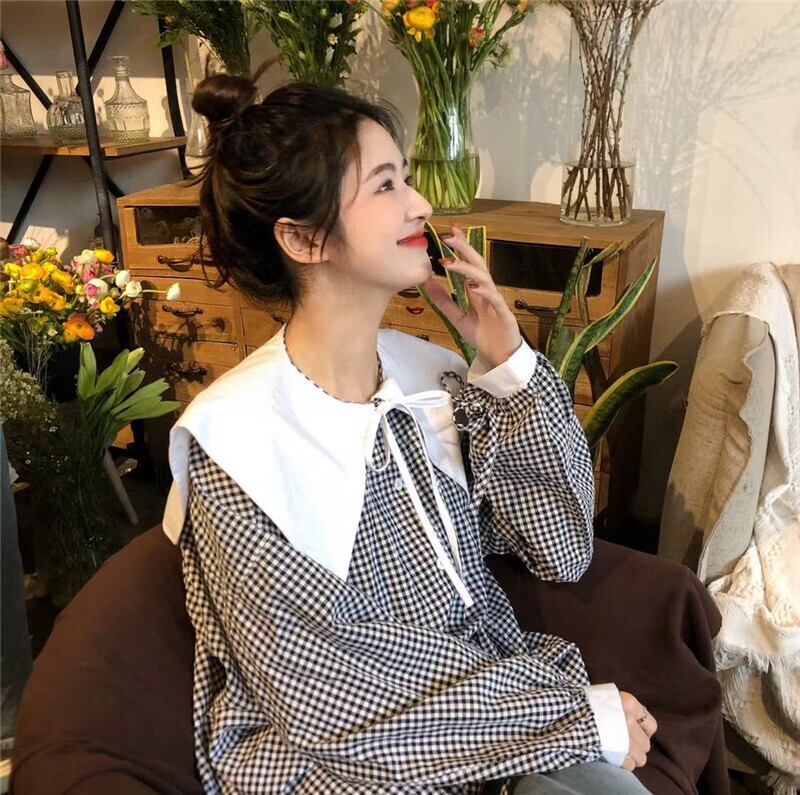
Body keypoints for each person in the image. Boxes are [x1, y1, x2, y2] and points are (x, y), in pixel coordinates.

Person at [162, 70, 658, 794]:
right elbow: (328, 698)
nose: (421, 204)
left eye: (406, 178)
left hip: (485, 718)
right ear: (302, 237)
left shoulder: (429, 378)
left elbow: (560, 549)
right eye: (387, 184)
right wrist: (571, 717)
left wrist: (508, 366)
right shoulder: (236, 442)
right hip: (341, 766)